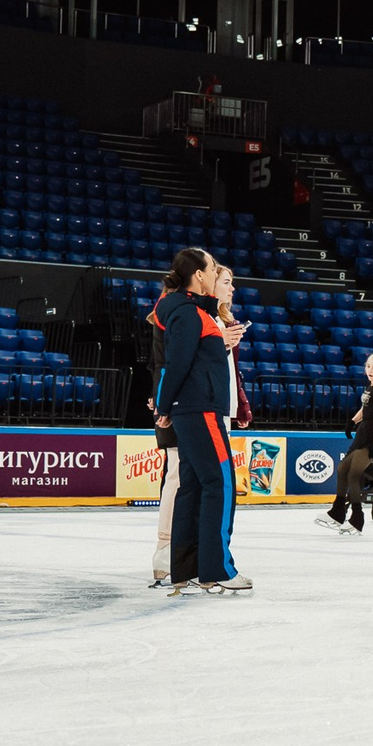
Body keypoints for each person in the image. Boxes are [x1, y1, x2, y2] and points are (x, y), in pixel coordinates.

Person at [155, 246, 251, 596]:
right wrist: (164, 406)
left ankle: (188, 569)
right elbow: (175, 364)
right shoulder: (189, 314)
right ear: (199, 275)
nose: (216, 276)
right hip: (201, 410)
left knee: (193, 486)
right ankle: (217, 569)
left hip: (195, 408)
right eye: (213, 270)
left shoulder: (195, 312)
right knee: (221, 485)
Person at [318, 351, 373, 536]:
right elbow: (365, 409)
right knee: (343, 469)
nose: (370, 370)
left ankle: (356, 519)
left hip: (372, 438)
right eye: (368, 366)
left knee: (354, 474)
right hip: (363, 433)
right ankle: (337, 512)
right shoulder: (370, 387)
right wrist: (352, 421)